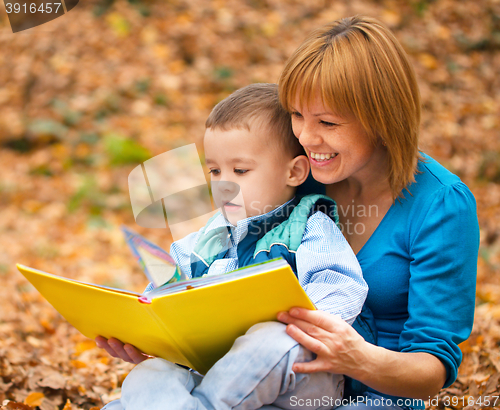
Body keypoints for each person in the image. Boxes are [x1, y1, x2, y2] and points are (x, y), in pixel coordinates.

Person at [98, 83, 368, 410]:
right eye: (214, 170)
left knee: (268, 341)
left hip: (299, 374)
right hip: (216, 370)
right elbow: (165, 294)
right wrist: (144, 324)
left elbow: (342, 287)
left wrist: (295, 322)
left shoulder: (309, 224)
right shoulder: (205, 240)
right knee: (151, 373)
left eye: (240, 170)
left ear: (294, 171)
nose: (224, 184)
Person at [274, 15, 479, 410]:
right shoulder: (299, 175)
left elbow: (431, 370)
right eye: (297, 115)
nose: (305, 137)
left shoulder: (441, 204)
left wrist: (356, 357)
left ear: (382, 117)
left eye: (327, 122)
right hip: (282, 383)